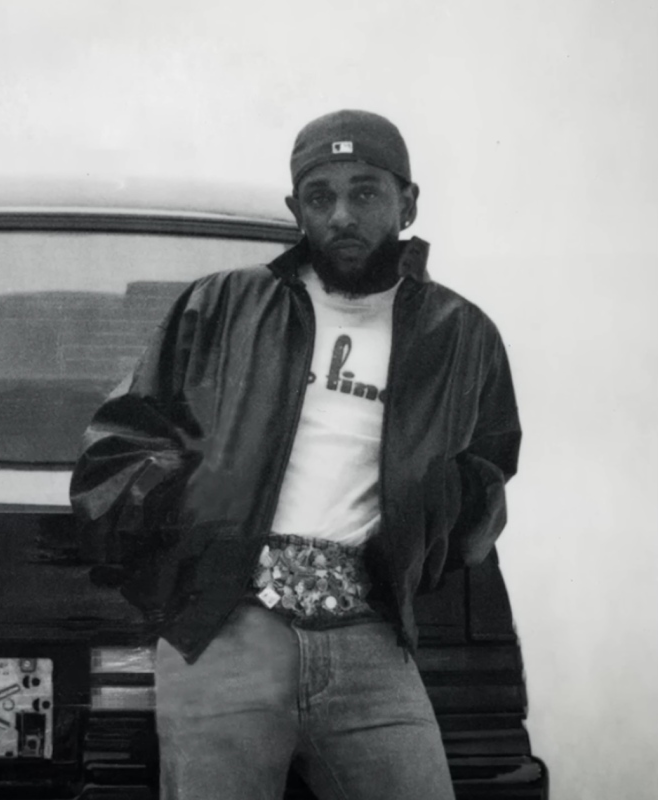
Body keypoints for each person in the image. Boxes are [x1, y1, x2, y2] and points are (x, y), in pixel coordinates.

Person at [70, 109, 520, 800]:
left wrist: (421, 541)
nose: (342, 214)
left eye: (365, 192)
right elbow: (117, 451)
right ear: (295, 210)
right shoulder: (222, 306)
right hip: (227, 629)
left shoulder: (462, 336)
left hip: (369, 636)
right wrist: (202, 537)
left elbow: (486, 474)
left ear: (408, 202)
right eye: (320, 196)